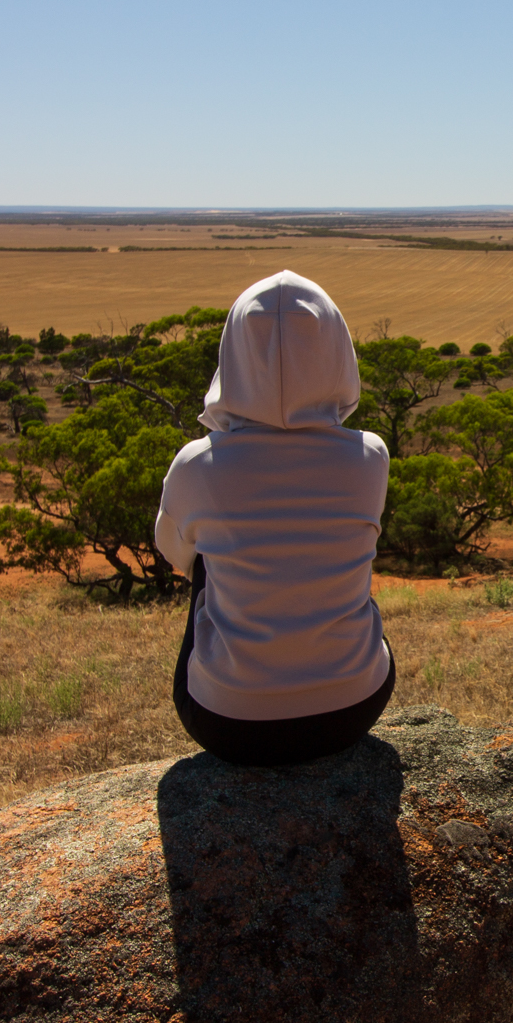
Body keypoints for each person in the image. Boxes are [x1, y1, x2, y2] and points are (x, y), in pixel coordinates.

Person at [154, 271, 393, 767]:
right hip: (354, 707)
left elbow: (174, 553)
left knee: (204, 561)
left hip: (227, 723)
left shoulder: (197, 464)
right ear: (336, 353)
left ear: (233, 355)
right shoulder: (370, 456)